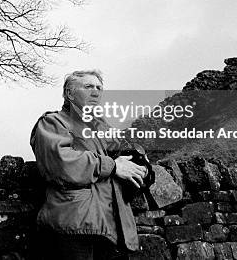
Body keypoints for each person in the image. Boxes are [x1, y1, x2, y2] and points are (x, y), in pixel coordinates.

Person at [30, 70, 154, 260]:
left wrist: (141, 167)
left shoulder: (101, 127)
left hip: (111, 225)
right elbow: (61, 163)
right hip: (75, 225)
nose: (96, 92)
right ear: (70, 94)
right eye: (88, 87)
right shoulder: (52, 122)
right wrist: (112, 166)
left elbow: (126, 152)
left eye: (99, 88)